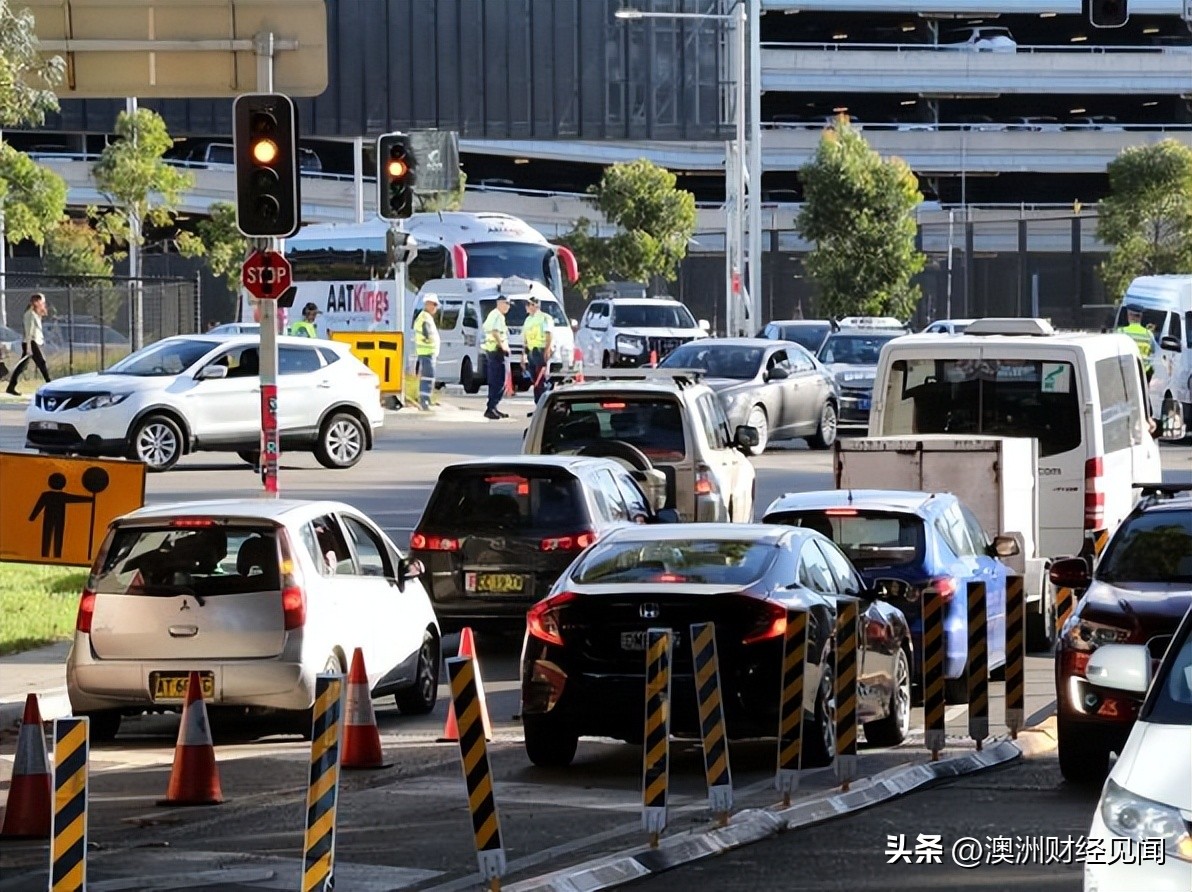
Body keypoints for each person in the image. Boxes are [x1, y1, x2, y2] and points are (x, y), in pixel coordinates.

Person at [6, 293, 52, 395]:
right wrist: (29, 347)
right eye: (42, 301)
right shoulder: (29, 314)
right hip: (31, 342)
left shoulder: (36, 314)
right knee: (42, 363)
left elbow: (44, 315)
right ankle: (50, 384)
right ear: (36, 301)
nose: (43, 303)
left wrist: (42, 309)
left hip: (35, 342)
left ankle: (11, 386)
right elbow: (29, 331)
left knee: (23, 366)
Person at [482, 295, 511, 420]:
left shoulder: (494, 314)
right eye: (506, 303)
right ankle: (491, 408)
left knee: (496, 380)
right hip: (496, 351)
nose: (508, 306)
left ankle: (493, 407)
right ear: (499, 303)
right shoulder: (497, 316)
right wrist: (503, 347)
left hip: (492, 351)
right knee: (498, 381)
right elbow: (495, 332)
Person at [522, 295, 553, 403]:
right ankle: (538, 404)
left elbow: (548, 334)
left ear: (534, 305)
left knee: (541, 379)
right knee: (534, 379)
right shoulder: (528, 320)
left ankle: (544, 403)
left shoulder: (544, 318)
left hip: (540, 351)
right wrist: (523, 355)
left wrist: (547, 350)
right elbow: (525, 339)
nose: (526, 307)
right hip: (531, 352)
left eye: (528, 304)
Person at [413, 294, 441, 411]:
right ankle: (424, 401)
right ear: (428, 304)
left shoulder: (425, 317)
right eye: (434, 304)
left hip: (427, 352)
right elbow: (427, 333)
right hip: (427, 352)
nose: (436, 307)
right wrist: (429, 339)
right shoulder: (425, 318)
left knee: (427, 377)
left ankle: (426, 400)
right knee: (428, 378)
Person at [1116, 303, 1158, 380]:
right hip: (1144, 373)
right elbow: (1154, 350)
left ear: (1129, 315)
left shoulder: (1121, 332)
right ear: (1140, 317)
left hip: (1126, 372)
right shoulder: (1148, 334)